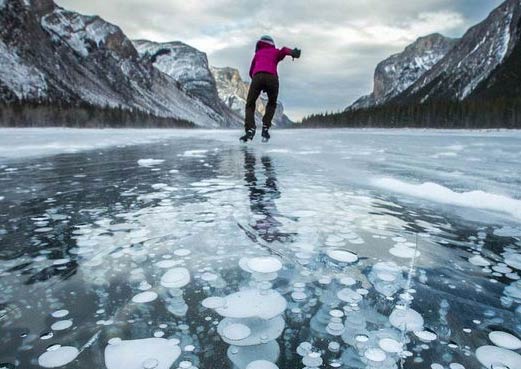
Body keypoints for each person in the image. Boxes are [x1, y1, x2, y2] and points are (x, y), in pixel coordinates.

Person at [240, 35, 301, 143]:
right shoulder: (275, 52)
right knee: (272, 103)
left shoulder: (257, 54)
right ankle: (265, 129)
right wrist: (293, 53)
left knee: (250, 104)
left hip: (257, 77)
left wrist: (258, 81)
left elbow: (251, 71)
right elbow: (284, 50)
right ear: (272, 44)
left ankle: (250, 130)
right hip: (272, 78)